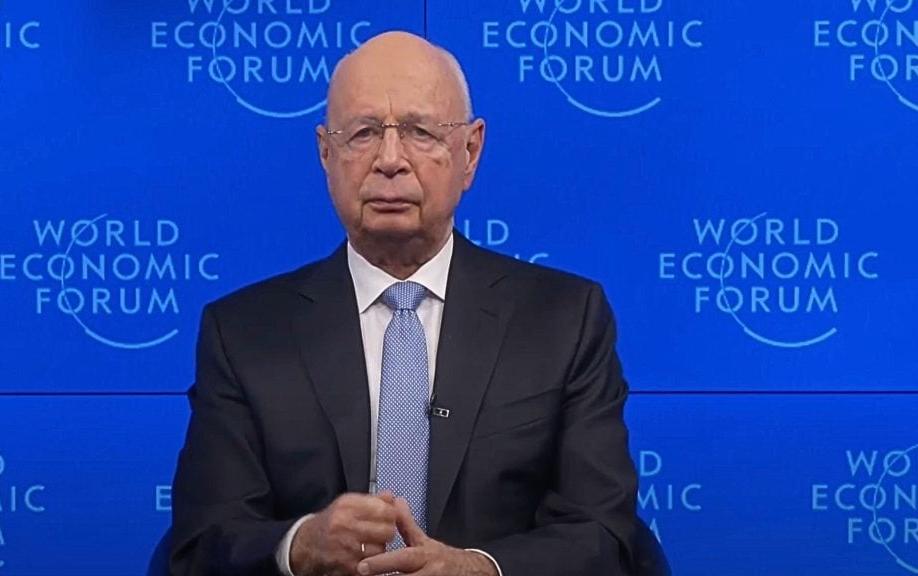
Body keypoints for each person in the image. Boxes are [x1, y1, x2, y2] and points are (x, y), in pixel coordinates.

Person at [170, 31, 643, 576]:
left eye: (420, 132)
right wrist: (300, 546)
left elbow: (605, 534)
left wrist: (479, 569)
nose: (389, 160)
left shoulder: (564, 320)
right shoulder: (244, 335)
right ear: (326, 154)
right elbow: (201, 544)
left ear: (470, 152)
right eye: (364, 133)